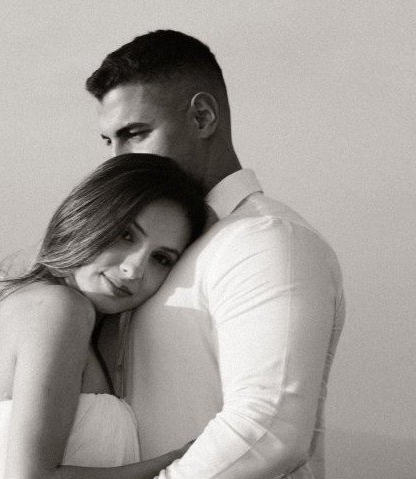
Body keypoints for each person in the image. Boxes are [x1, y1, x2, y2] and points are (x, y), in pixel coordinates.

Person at [84, 30, 346, 478]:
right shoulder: (149, 253)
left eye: (135, 134)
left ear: (203, 116)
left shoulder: (265, 240)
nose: (118, 161)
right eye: (109, 141)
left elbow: (269, 430)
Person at [0, 153, 208, 478]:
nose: (134, 269)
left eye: (161, 259)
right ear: (86, 217)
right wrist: (178, 462)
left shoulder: (40, 307)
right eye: (126, 235)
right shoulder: (60, 308)